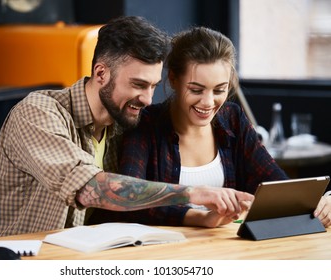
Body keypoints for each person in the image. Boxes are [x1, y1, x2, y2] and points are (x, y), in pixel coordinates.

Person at [0, 17, 254, 240]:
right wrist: (194, 193)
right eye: (138, 85)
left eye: (153, 86)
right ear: (100, 73)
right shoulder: (38, 114)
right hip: (13, 263)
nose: (147, 99)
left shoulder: (123, 125)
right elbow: (90, 187)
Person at [88, 26, 331, 228]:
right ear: (173, 79)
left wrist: (318, 203)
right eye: (196, 90)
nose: (208, 102)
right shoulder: (146, 123)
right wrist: (201, 218)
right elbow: (130, 202)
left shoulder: (232, 118)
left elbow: (274, 182)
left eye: (219, 90)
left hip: (223, 250)